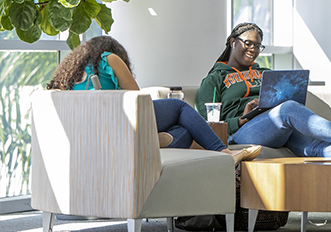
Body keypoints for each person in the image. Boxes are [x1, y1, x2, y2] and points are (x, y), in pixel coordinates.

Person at [46, 35, 261, 165]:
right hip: (117, 124)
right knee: (178, 106)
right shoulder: (108, 58)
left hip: (93, 136)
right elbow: (139, 101)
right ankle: (223, 152)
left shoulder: (68, 77)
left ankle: (152, 140)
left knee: (184, 133)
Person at [195, 23, 331, 159]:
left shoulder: (264, 73)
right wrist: (240, 120)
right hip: (241, 133)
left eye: (258, 46)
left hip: (276, 125)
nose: (253, 50)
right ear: (233, 42)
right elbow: (205, 124)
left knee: (313, 146)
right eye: (248, 43)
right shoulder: (215, 79)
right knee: (288, 108)